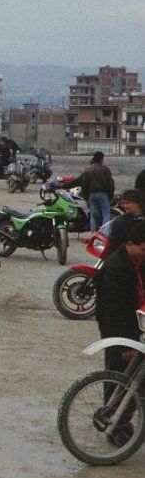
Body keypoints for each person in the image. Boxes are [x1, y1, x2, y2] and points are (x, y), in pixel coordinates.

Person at [94, 222, 145, 375]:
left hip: (135, 331)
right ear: (130, 244)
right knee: (118, 378)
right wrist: (124, 347)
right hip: (120, 337)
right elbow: (111, 313)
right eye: (143, 249)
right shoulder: (115, 268)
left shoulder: (137, 262)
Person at [82, 151, 115, 232]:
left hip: (92, 195)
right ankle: (104, 232)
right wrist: (111, 196)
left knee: (93, 215)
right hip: (103, 194)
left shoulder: (87, 170)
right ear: (101, 159)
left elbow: (84, 184)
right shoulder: (105, 169)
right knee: (106, 213)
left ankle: (94, 232)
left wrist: (86, 197)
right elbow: (110, 184)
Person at [106, 189, 144, 255]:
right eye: (124, 203)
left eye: (129, 202)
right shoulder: (120, 222)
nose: (125, 206)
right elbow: (113, 245)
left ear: (139, 203)